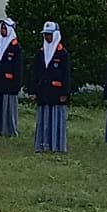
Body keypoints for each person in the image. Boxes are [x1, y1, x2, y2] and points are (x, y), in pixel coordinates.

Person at [32, 21, 70, 153]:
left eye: (49, 34)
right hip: (43, 91)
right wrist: (34, 91)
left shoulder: (62, 53)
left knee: (56, 118)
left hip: (57, 92)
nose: (47, 37)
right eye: (45, 35)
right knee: (43, 118)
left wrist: (65, 92)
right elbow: (36, 73)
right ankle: (43, 144)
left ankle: (56, 145)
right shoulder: (41, 53)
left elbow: (66, 74)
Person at [0, 17, 23, 137]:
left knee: (8, 106)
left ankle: (9, 129)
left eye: (4, 28)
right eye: (1, 28)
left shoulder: (16, 48)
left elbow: (18, 68)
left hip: (9, 84)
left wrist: (16, 84)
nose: (2, 30)